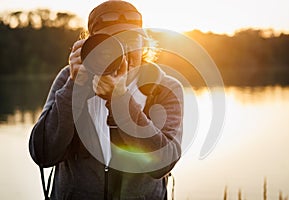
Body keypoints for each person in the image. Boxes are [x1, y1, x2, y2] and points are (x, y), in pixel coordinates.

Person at [29, 1, 184, 199]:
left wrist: (120, 101)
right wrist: (73, 88)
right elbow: (43, 154)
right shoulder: (70, 79)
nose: (122, 50)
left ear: (143, 42)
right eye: (110, 42)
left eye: (130, 39)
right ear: (90, 46)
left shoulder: (165, 88)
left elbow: (163, 163)